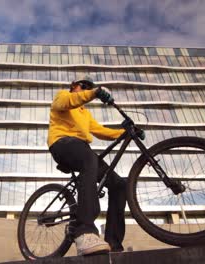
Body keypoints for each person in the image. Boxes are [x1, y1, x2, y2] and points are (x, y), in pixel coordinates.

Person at [47, 76, 127, 256]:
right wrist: (95, 92)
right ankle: (85, 231)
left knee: (119, 185)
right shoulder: (62, 96)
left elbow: (102, 131)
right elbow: (69, 101)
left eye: (89, 87)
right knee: (89, 158)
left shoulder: (85, 113)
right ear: (73, 87)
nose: (86, 89)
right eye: (83, 86)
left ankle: (113, 243)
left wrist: (126, 131)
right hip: (61, 143)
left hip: (82, 149)